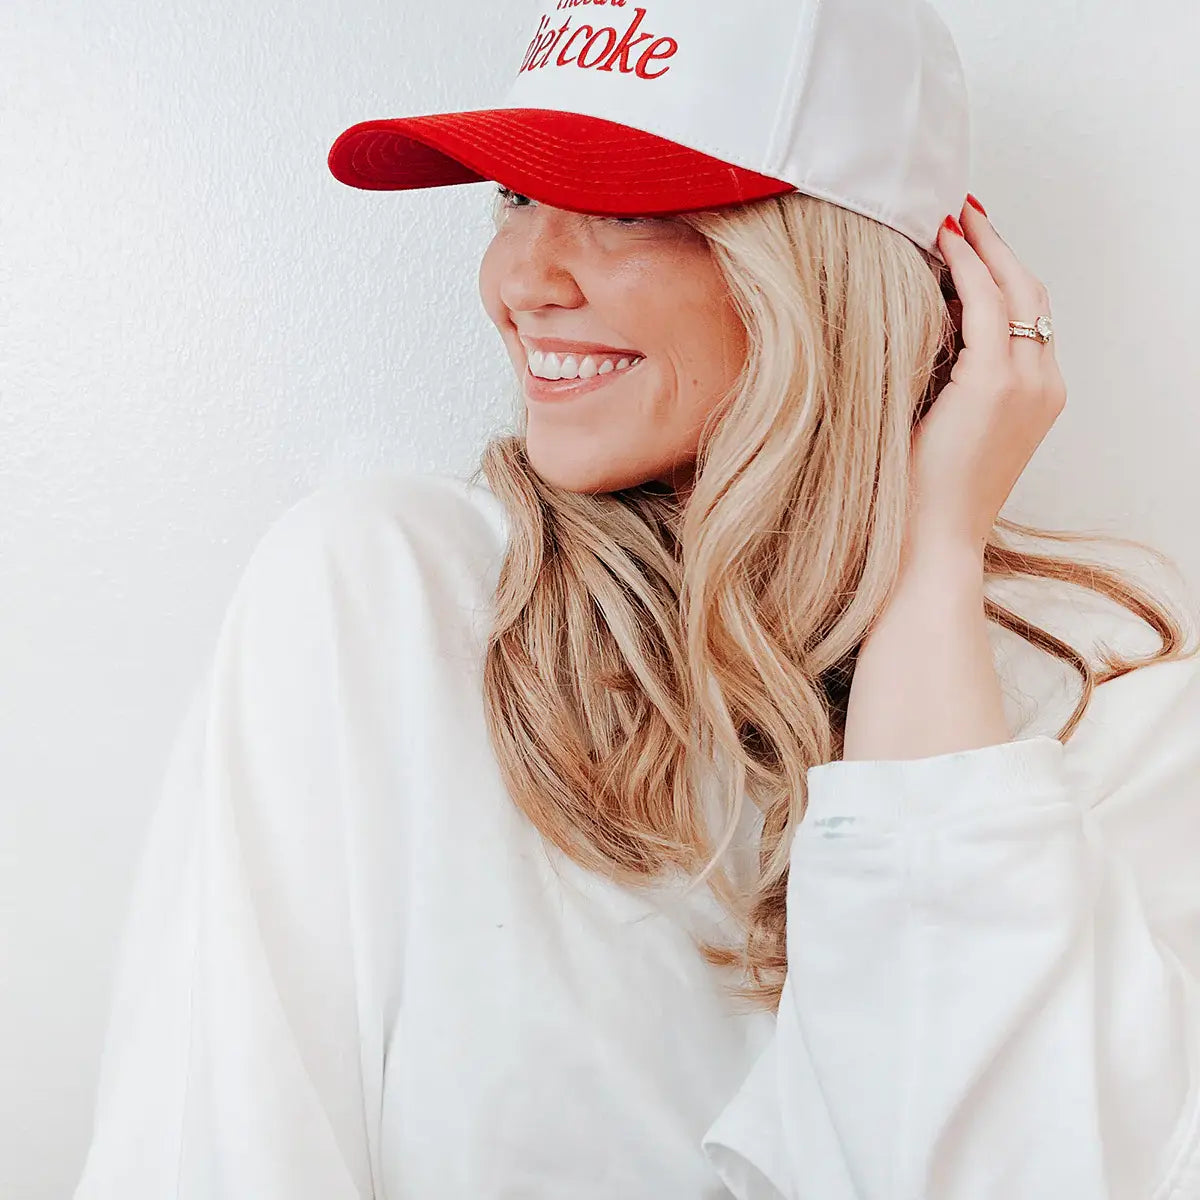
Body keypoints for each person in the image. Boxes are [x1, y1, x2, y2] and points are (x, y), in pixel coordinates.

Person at [73, 0, 1200, 1196]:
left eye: (622, 209)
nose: (520, 280)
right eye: (515, 195)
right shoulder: (392, 597)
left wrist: (930, 572)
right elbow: (211, 1151)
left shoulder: (1104, 693)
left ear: (828, 270)